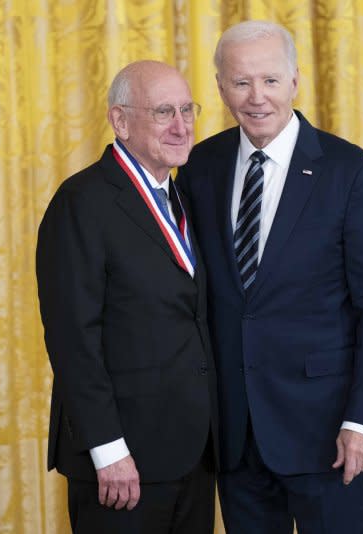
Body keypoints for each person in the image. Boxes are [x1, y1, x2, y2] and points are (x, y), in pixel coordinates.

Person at [176, 21, 363, 533]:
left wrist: (362, 422)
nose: (257, 98)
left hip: (326, 434)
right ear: (219, 88)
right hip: (235, 435)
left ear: (296, 81)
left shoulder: (350, 172)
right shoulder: (198, 168)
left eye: (270, 81)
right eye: (240, 83)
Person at [36, 60, 218, 534]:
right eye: (163, 112)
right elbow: (73, 337)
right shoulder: (82, 202)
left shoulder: (181, 197)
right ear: (120, 120)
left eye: (186, 110)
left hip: (194, 456)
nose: (181, 126)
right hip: (122, 464)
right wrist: (109, 450)